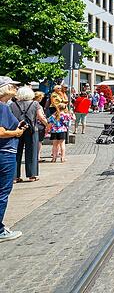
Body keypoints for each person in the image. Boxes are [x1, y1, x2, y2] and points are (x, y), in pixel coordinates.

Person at [0, 76, 25, 242]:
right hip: (4, 152)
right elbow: (1, 132)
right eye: (13, 86)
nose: (16, 88)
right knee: (3, 191)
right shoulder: (2, 107)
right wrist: (16, 133)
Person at [10, 86, 47, 182]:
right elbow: (40, 117)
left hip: (17, 130)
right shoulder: (35, 104)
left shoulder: (13, 105)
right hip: (32, 130)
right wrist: (47, 125)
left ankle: (15, 176)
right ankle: (32, 175)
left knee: (16, 153)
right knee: (32, 152)